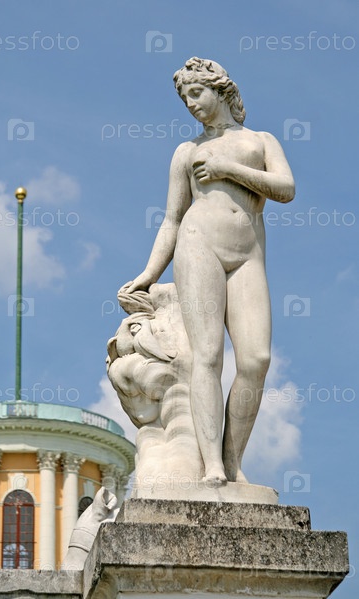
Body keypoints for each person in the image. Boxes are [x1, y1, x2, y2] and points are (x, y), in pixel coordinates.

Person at [121, 57, 295, 486]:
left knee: (256, 360)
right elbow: (171, 219)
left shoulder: (261, 141)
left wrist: (227, 169)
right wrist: (148, 273)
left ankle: (232, 459)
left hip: (248, 254)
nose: (191, 104)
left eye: (197, 93)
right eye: (185, 99)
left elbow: (286, 189)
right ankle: (213, 465)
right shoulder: (187, 151)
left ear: (220, 90)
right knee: (208, 355)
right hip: (199, 245)